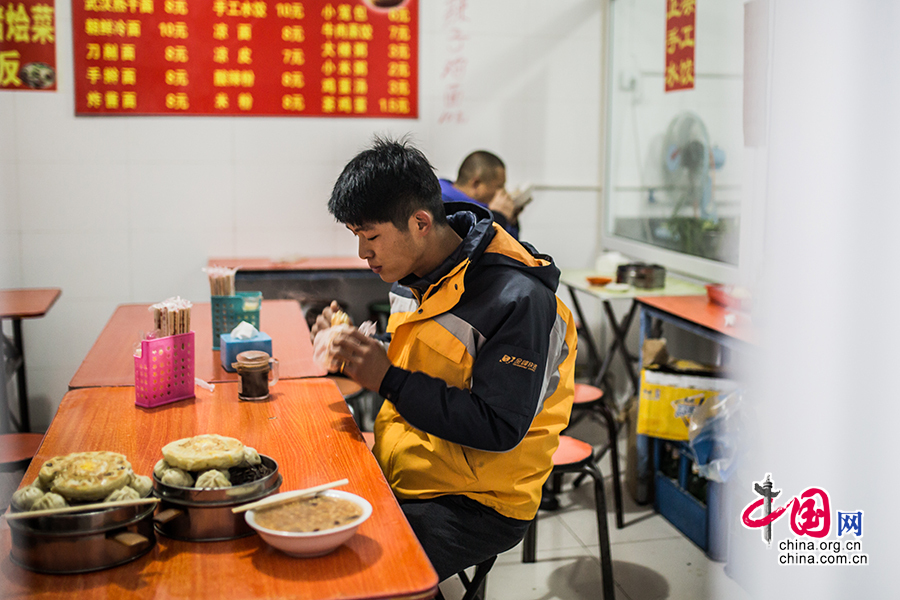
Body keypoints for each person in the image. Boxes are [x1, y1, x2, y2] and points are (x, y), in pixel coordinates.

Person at [312, 137, 576, 581]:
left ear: (419, 222)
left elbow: (498, 427)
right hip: (409, 468)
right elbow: (418, 369)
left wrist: (386, 378)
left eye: (371, 236)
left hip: (478, 501)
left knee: (355, 578)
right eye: (356, 237)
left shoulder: (518, 300)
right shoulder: (411, 279)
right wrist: (350, 356)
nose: (363, 254)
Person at [439, 150, 523, 240]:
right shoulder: (441, 206)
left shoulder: (484, 207)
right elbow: (471, 247)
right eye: (499, 187)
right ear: (476, 184)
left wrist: (511, 221)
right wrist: (498, 217)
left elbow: (509, 248)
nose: (502, 193)